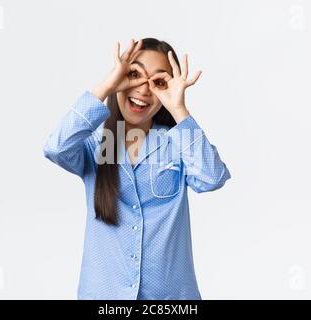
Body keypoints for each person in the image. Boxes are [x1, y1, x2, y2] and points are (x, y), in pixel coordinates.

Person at [43, 37, 231, 299]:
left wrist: (178, 109)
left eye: (159, 81)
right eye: (134, 75)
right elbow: (56, 147)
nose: (143, 89)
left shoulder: (175, 143)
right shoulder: (95, 144)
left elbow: (212, 177)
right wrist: (107, 86)